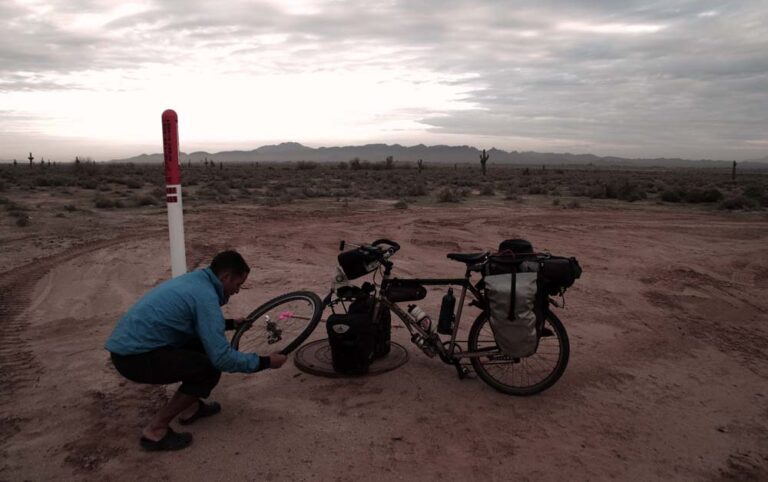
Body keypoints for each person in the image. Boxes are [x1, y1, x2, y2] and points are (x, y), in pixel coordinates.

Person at [105, 250, 287, 451]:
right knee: (209, 370)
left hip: (131, 347)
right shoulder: (205, 296)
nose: (237, 291)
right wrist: (266, 362)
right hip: (133, 357)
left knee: (202, 347)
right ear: (225, 277)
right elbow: (222, 359)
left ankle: (190, 409)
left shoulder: (197, 280)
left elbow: (192, 321)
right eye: (238, 284)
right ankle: (155, 431)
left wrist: (228, 324)